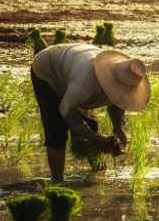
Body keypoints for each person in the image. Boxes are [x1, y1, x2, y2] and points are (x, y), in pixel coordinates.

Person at [31, 43, 151, 182]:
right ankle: (57, 181)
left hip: (73, 67)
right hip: (47, 69)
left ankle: (98, 173)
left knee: (90, 125)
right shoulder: (87, 81)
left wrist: (119, 128)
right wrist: (96, 139)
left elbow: (117, 102)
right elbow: (66, 110)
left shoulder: (121, 77)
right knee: (56, 129)